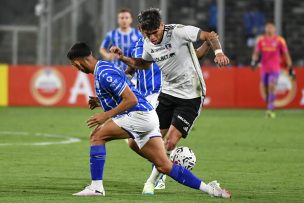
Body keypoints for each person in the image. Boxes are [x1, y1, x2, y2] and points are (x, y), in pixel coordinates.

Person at [67, 42, 231, 198]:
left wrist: (105, 115)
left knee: (97, 136)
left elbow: (131, 100)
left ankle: (96, 187)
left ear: (78, 62)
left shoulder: (104, 73)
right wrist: (100, 101)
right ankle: (211, 190)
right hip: (147, 116)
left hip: (138, 115)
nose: (76, 68)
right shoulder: (103, 68)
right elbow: (125, 88)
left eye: (74, 65)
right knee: (164, 165)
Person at [110, 8, 230, 195]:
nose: (153, 38)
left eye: (155, 33)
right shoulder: (147, 42)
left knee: (170, 143)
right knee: (142, 141)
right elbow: (144, 64)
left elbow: (210, 35)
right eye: (148, 34)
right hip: (167, 94)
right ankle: (166, 164)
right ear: (142, 30)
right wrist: (123, 58)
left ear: (161, 25)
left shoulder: (179, 32)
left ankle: (152, 182)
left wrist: (218, 52)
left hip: (191, 96)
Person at [251, 22, 294, 118]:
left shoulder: (280, 40)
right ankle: (269, 104)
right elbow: (256, 53)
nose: (269, 29)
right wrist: (253, 61)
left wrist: (290, 67)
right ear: (265, 29)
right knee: (266, 89)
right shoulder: (261, 40)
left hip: (275, 69)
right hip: (264, 69)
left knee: (271, 86)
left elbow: (286, 55)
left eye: (271, 27)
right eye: (268, 27)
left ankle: (270, 109)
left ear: (274, 29)